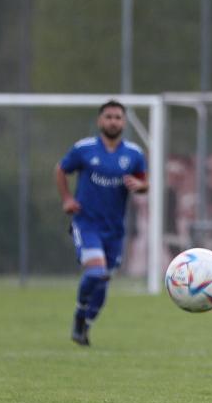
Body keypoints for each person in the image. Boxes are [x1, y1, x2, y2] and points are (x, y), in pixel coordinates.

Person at [55, 100, 148, 346]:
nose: (113, 121)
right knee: (96, 271)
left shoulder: (134, 154)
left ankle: (86, 325)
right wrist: (67, 199)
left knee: (103, 283)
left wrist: (140, 186)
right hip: (86, 223)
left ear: (124, 122)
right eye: (108, 117)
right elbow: (61, 169)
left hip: (114, 230)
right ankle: (79, 314)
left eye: (117, 117)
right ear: (100, 121)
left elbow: (144, 183)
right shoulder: (84, 149)